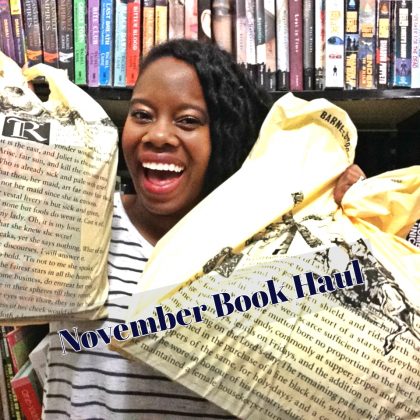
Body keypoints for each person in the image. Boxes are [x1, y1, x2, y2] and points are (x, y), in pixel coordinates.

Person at [42, 39, 364, 418]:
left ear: (224, 135)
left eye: (188, 120)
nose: (157, 135)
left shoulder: (263, 242)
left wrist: (352, 224)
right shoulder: (78, 218)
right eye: (142, 114)